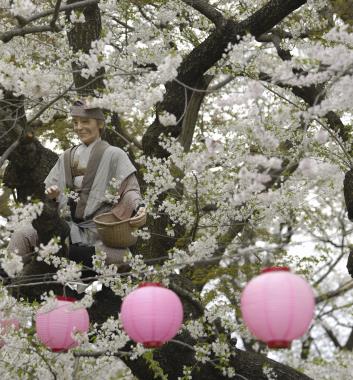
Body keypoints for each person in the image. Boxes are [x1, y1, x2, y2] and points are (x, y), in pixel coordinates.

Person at [7, 99, 146, 267]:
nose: (79, 127)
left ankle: (70, 255)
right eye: (75, 122)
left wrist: (139, 207)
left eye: (85, 121)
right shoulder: (66, 156)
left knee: (121, 259)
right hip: (67, 225)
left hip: (102, 231)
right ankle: (7, 278)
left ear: (100, 124)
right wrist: (51, 197)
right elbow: (46, 191)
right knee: (23, 234)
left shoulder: (115, 155)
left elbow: (129, 190)